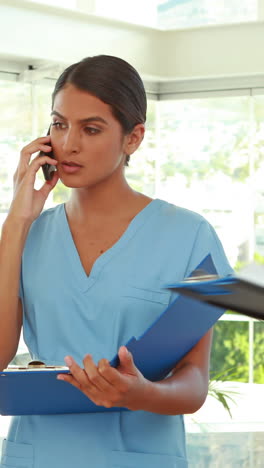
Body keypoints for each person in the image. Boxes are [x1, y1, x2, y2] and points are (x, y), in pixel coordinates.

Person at [0, 55, 232, 468]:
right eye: (59, 124)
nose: (68, 143)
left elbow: (195, 382)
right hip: (35, 456)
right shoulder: (26, 234)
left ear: (133, 138)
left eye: (91, 129)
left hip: (141, 457)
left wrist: (140, 393)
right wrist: (15, 223)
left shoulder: (191, 236)